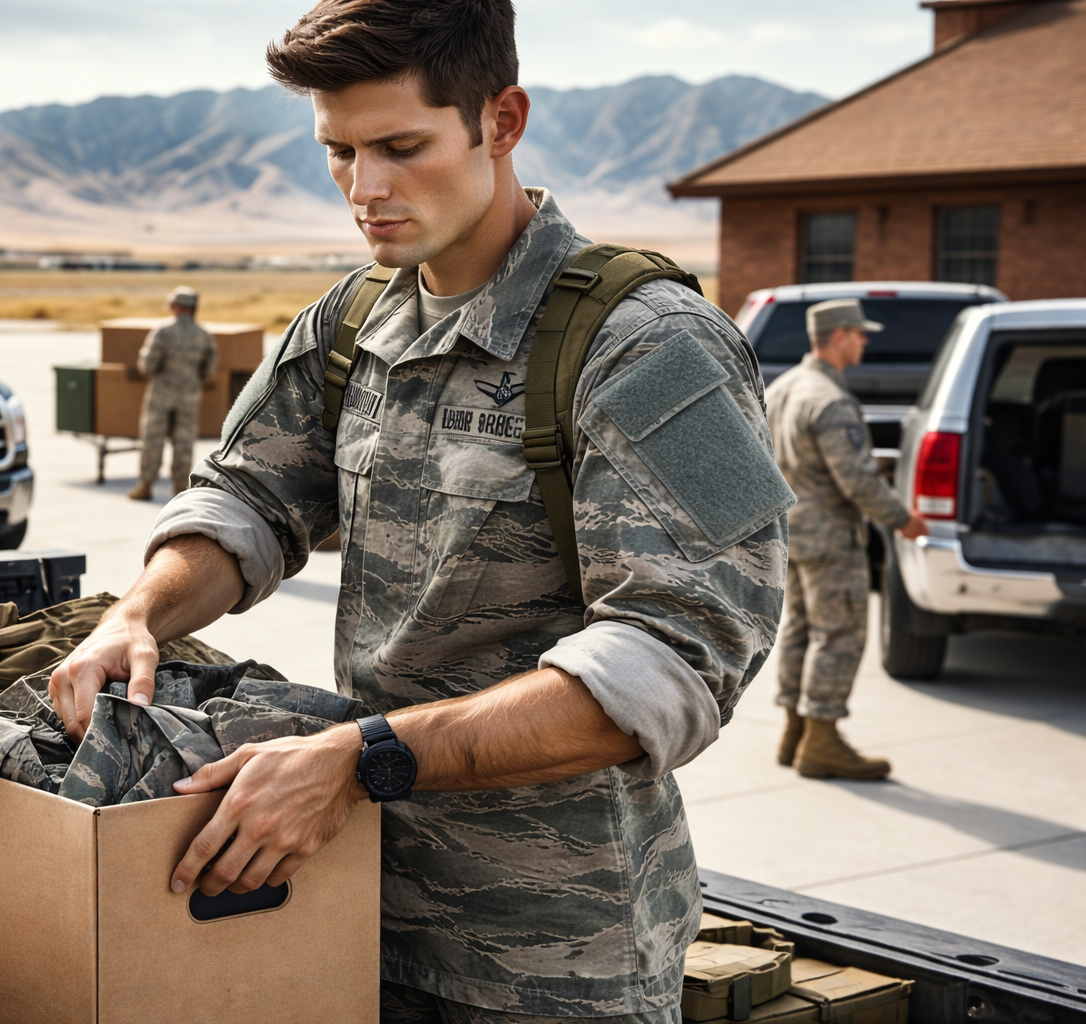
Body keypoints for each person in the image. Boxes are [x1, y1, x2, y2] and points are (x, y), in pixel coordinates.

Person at [54, 2, 790, 1021]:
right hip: (350, 903)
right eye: (339, 152)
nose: (367, 189)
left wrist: (365, 757)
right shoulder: (355, 319)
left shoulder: (655, 349)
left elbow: (675, 659)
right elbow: (249, 496)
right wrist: (139, 613)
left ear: (502, 120)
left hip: (552, 958)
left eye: (402, 147)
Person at [765, 298, 930, 780]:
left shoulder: (782, 388)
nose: (866, 341)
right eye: (860, 334)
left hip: (791, 534)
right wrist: (904, 519)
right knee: (839, 634)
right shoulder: (830, 399)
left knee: (799, 629)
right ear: (838, 337)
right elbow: (855, 480)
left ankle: (794, 732)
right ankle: (822, 740)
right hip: (832, 539)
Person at [126, 286, 218, 501]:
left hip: (161, 392)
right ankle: (179, 487)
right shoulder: (203, 334)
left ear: (174, 306)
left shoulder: (163, 331)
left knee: (152, 439)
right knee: (184, 441)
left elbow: (147, 364)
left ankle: (146, 484)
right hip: (190, 394)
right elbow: (210, 367)